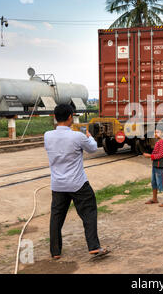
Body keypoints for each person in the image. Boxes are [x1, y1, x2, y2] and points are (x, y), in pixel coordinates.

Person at [44, 104, 110, 259]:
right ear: (70, 117)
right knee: (89, 212)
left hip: (58, 184)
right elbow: (93, 149)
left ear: (55, 117)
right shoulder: (77, 136)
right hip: (77, 183)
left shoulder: (47, 135)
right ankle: (93, 246)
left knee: (56, 217)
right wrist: (88, 135)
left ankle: (55, 252)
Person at [143, 128, 163, 207]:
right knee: (154, 182)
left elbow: (161, 155)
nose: (155, 134)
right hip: (156, 164)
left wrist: (150, 156)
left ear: (162, 134)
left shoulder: (162, 142)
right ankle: (154, 198)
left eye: (157, 132)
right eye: (155, 132)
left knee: (162, 182)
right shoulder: (158, 142)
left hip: (160, 166)